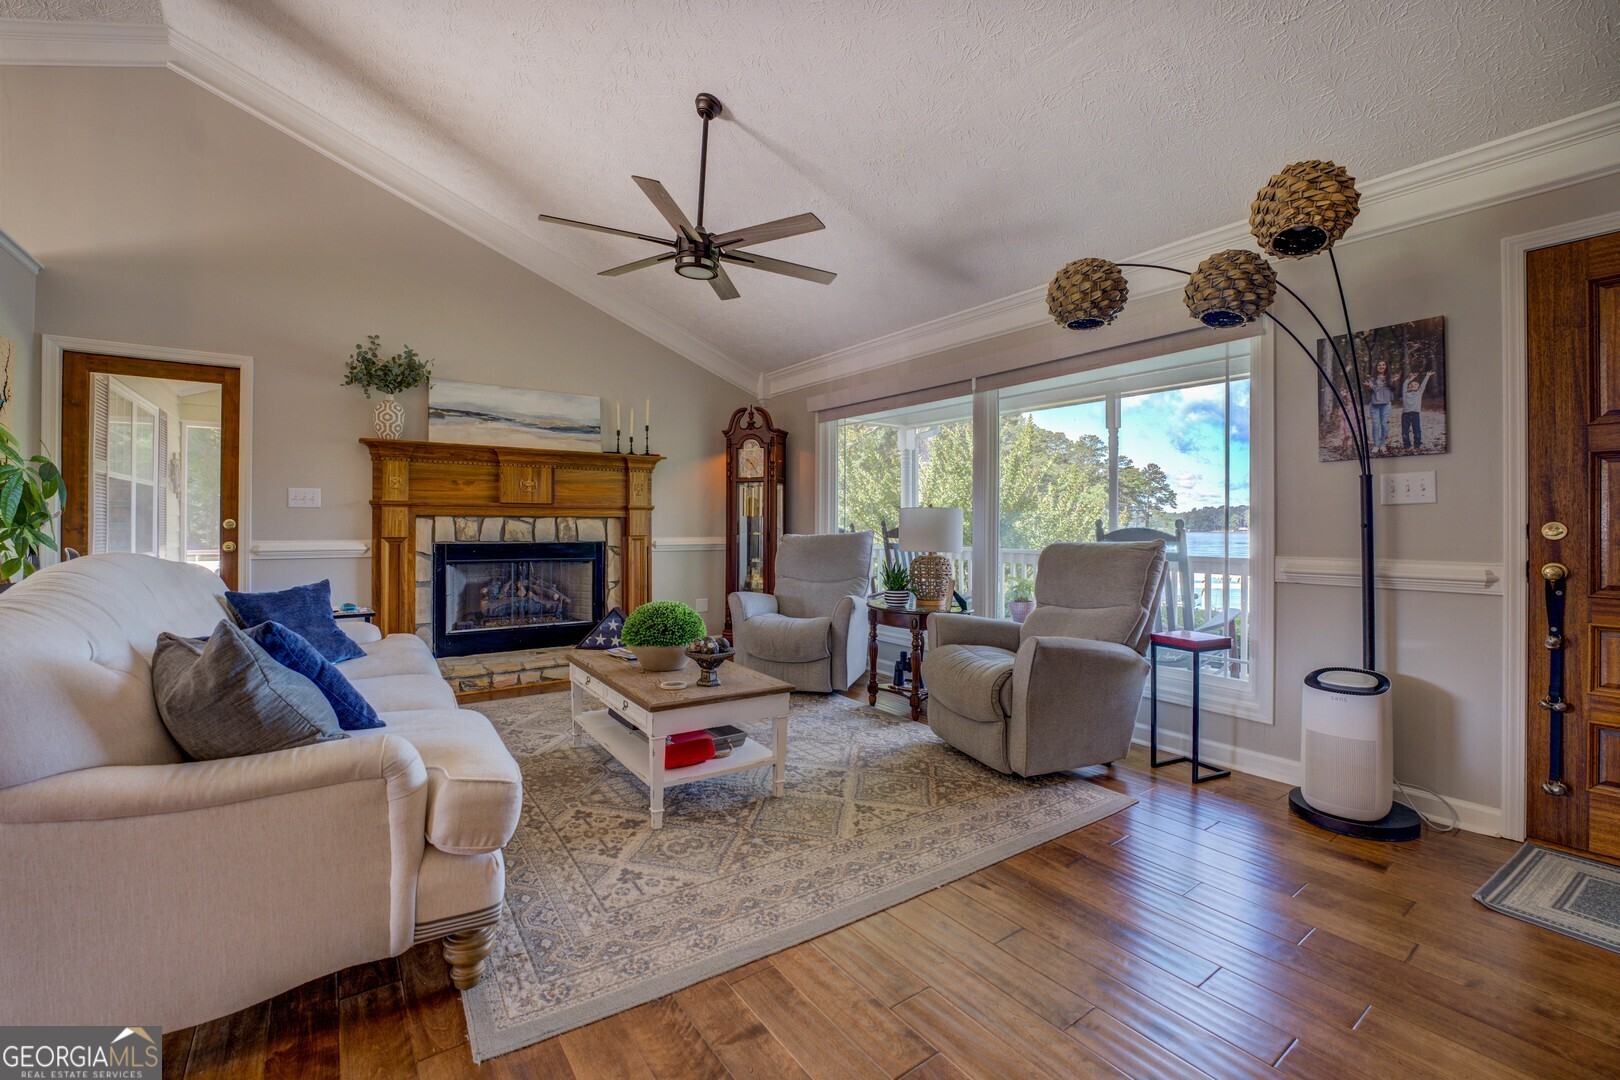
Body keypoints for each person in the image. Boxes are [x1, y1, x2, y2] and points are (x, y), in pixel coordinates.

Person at [1364, 360, 1394, 453]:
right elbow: (1369, 390)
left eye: (1383, 365)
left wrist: (1395, 381)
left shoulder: (1390, 378)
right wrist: (1367, 386)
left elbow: (1394, 389)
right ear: (1376, 367)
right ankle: (1376, 445)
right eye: (1379, 365)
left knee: (1384, 425)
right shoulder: (1372, 379)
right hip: (1374, 404)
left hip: (1386, 404)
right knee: (1375, 425)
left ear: (1386, 366)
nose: (1381, 366)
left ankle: (1383, 444)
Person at [1401, 369, 1434, 450]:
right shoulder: (1405, 393)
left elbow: (1423, 385)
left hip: (1415, 414)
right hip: (1405, 415)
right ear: (1408, 387)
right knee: (1405, 431)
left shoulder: (1419, 393)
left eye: (1415, 384)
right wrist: (1410, 379)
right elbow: (1405, 384)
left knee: (1417, 431)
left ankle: (1417, 445)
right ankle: (1406, 445)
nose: (1413, 385)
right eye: (1411, 384)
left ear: (1419, 387)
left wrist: (1427, 376)